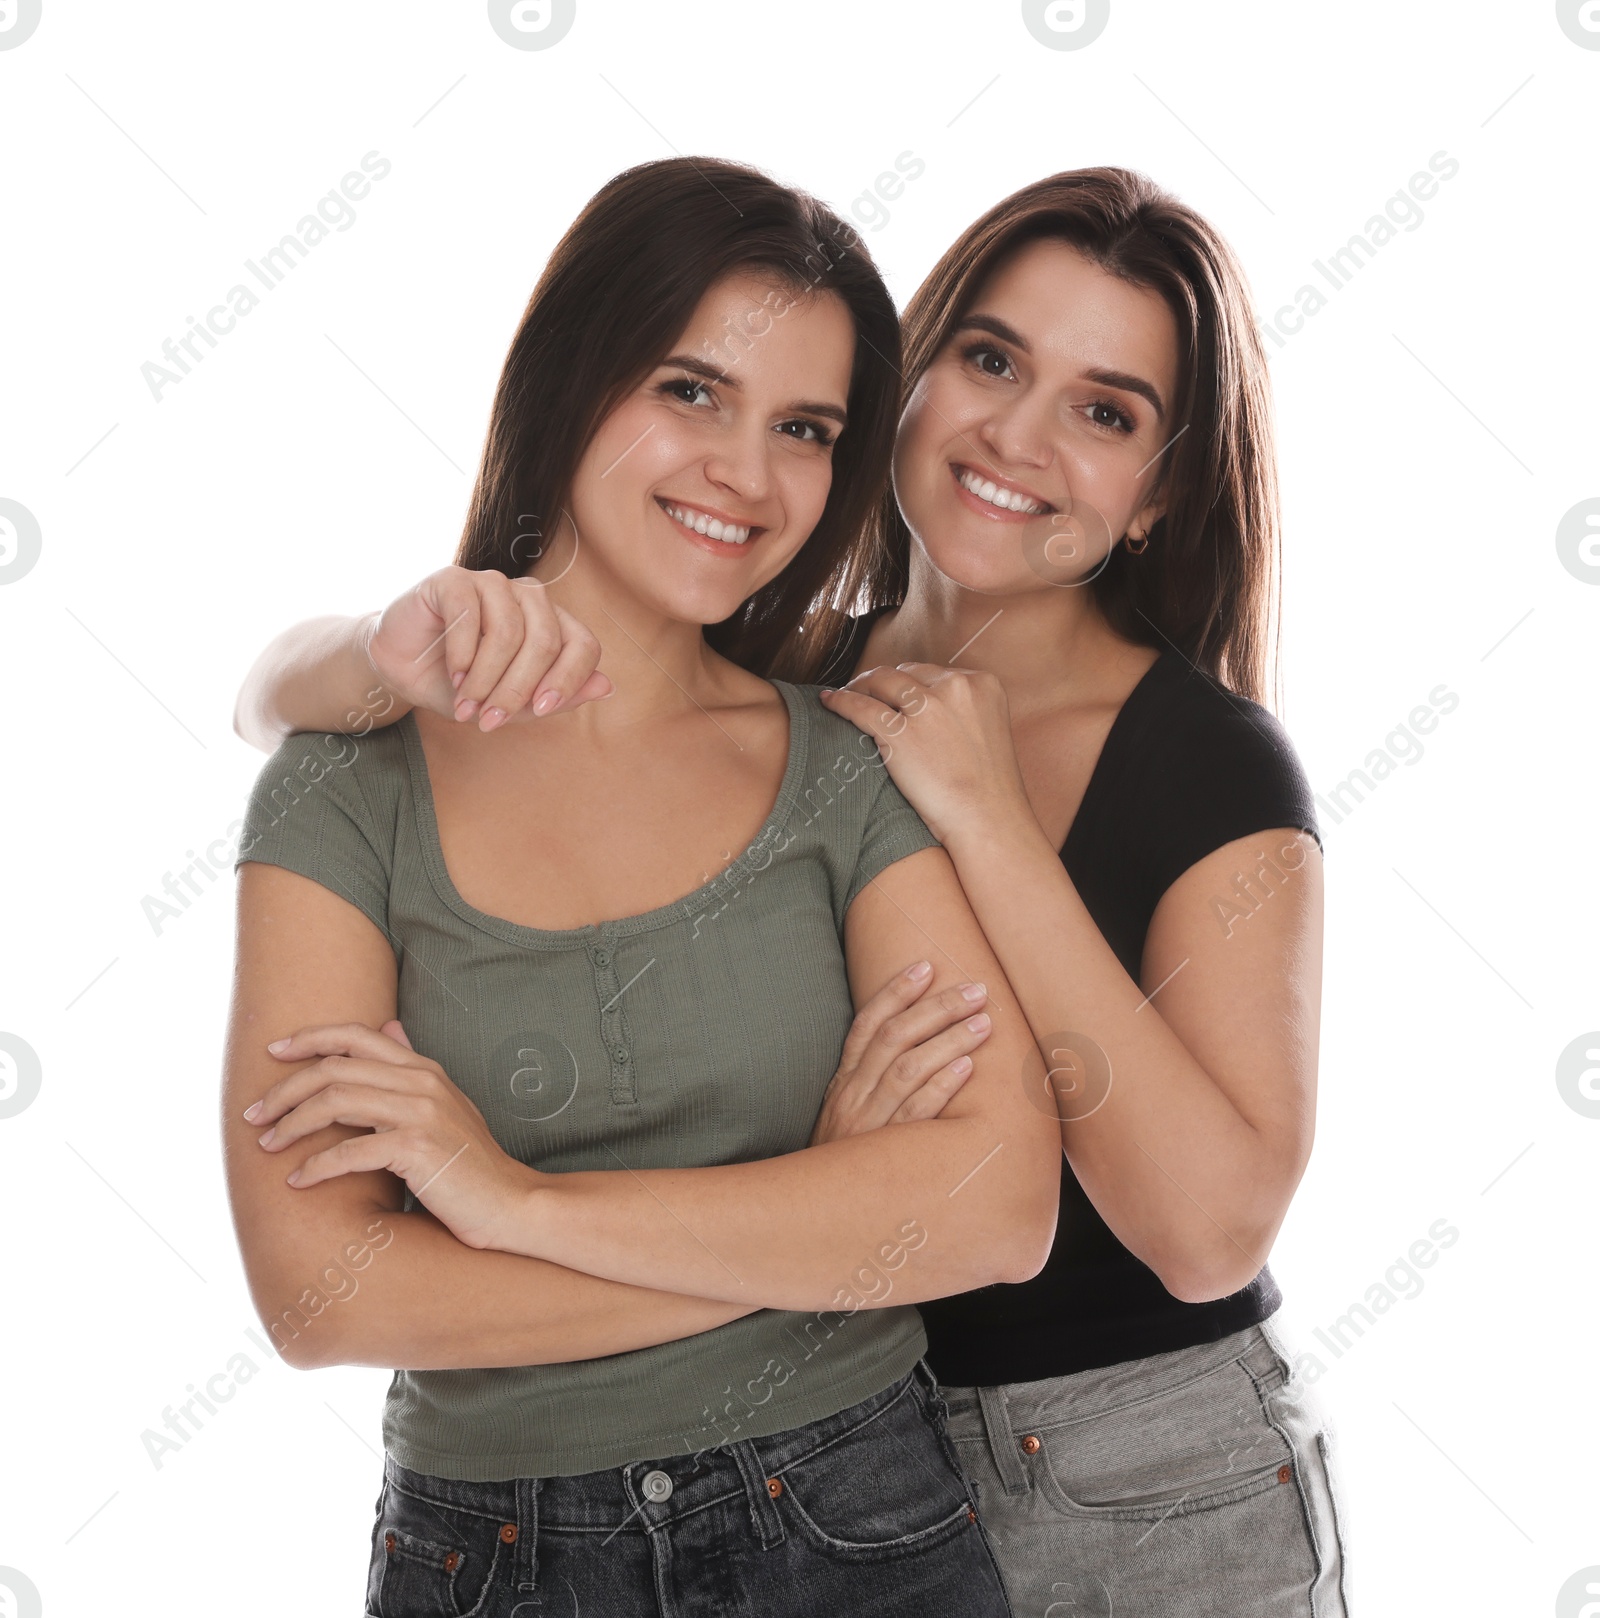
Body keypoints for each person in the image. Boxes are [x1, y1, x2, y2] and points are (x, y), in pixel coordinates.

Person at [235, 166, 1350, 1615]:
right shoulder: (796, 678)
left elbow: (1198, 1232)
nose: (1018, 434)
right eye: (993, 358)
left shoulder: (1206, 763)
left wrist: (989, 819)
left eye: (1107, 409)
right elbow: (284, 710)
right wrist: (355, 652)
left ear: (1159, 495)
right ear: (919, 376)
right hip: (855, 1436)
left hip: (1132, 1462)